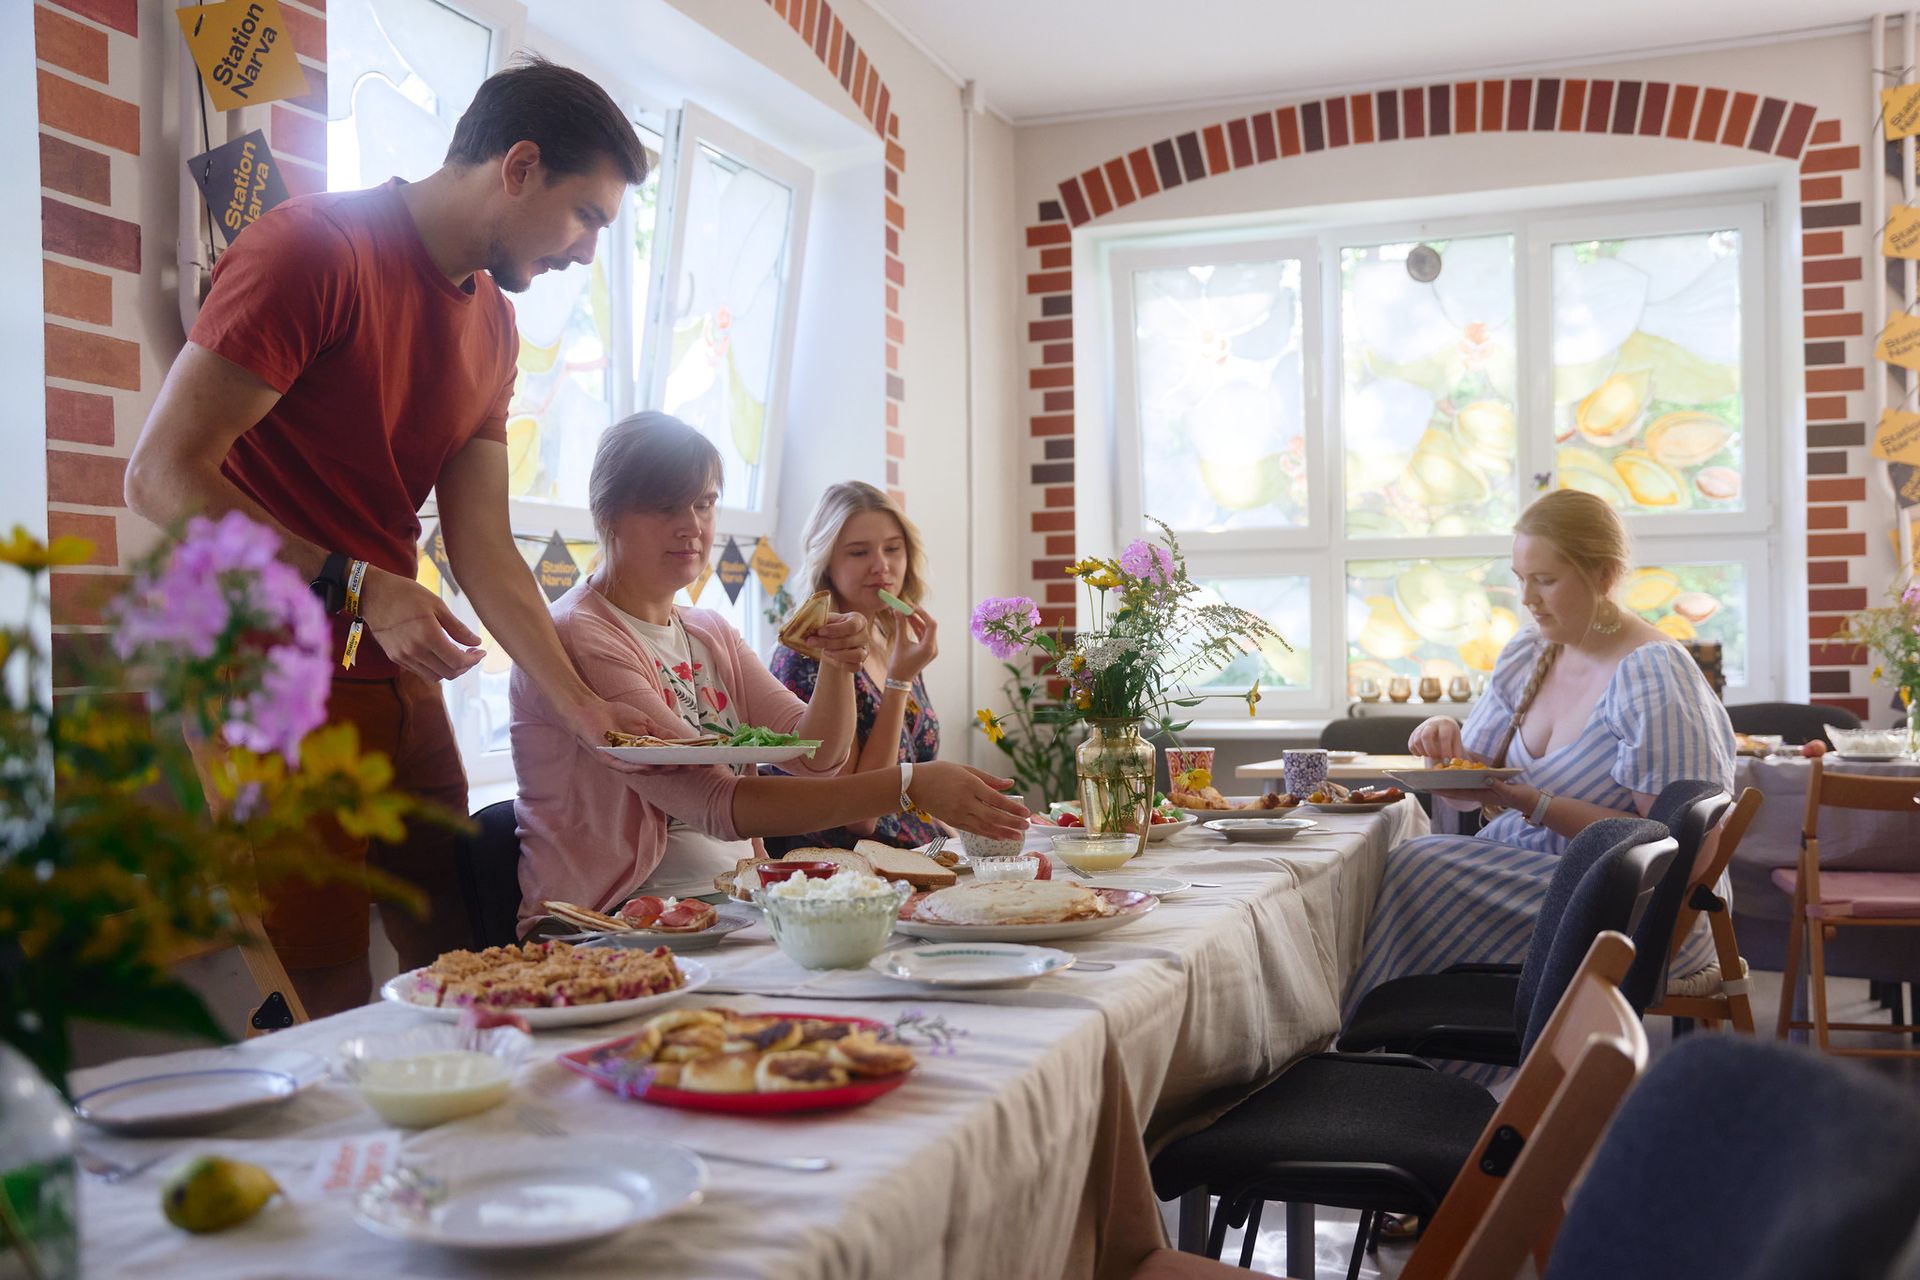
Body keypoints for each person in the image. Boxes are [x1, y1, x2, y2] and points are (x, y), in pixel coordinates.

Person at [124, 57, 662, 1017]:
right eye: (588, 216)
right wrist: (358, 582)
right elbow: (159, 476)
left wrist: (580, 702)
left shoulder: (495, 325)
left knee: (463, 950)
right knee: (318, 981)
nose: (587, 253)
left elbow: (485, 546)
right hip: (263, 664)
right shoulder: (313, 249)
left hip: (390, 662)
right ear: (521, 165)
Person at [510, 415, 1027, 933]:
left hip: (728, 908)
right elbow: (716, 804)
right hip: (602, 924)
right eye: (666, 507)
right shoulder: (580, 634)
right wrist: (910, 785)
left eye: (705, 503)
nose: (692, 525)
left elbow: (820, 756)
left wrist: (836, 664)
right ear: (609, 514)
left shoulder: (709, 630)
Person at [1344, 489, 1736, 1020]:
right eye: (1520, 578)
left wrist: (1538, 804)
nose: (1526, 597)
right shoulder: (1530, 652)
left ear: (1603, 575)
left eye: (1545, 580)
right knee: (1397, 868)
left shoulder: (1652, 674)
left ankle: (1407, 1058)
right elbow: (1470, 791)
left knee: (1416, 868)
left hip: (1631, 908)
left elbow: (1684, 851)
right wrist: (1441, 739)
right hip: (1532, 878)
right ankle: (1407, 1053)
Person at [765, 483, 942, 856]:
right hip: (848, 871)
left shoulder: (892, 640)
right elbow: (862, 817)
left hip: (921, 853)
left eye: (893, 548)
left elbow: (918, 784)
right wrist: (898, 683)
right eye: (859, 552)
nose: (882, 565)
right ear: (826, 562)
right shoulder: (808, 657)